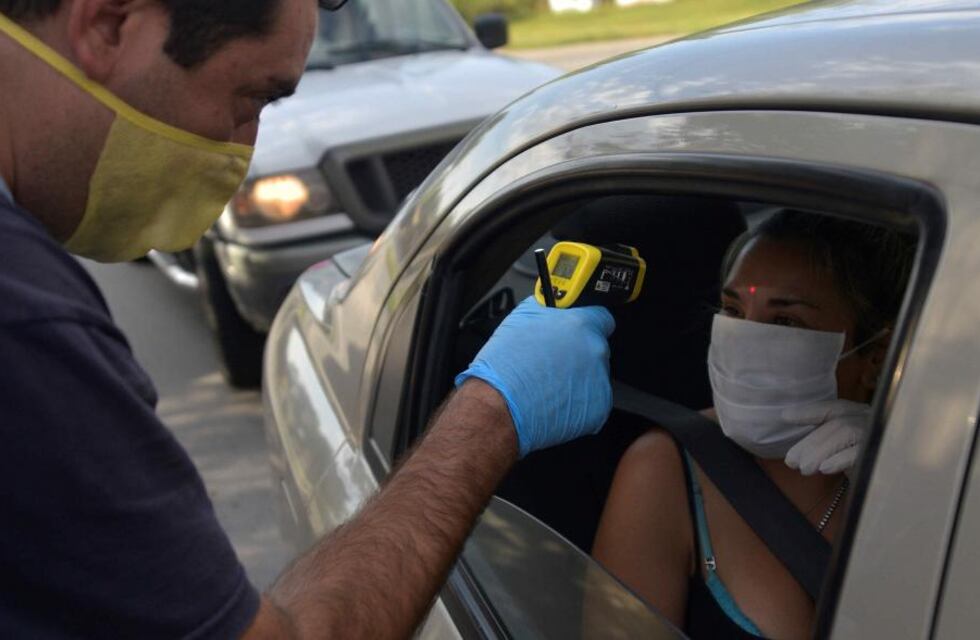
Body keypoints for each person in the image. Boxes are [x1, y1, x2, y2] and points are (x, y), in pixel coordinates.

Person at [0, 1, 615, 637]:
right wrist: (491, 412)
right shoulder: (24, 323)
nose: (244, 148)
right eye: (250, 100)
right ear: (108, 24)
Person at [592, 211, 916, 639]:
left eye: (785, 321)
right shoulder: (664, 470)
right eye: (732, 310)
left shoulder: (930, 479)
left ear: (876, 358)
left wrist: (894, 487)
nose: (743, 341)